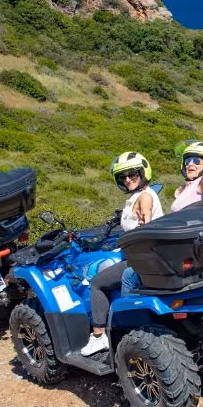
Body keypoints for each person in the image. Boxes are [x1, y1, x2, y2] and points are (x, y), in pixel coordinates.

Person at [81, 151, 165, 356]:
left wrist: (145, 220)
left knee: (97, 283)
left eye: (132, 174)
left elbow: (145, 210)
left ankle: (99, 336)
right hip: (145, 255)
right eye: (123, 176)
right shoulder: (143, 194)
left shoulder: (144, 196)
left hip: (141, 259)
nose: (127, 179)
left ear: (143, 173)